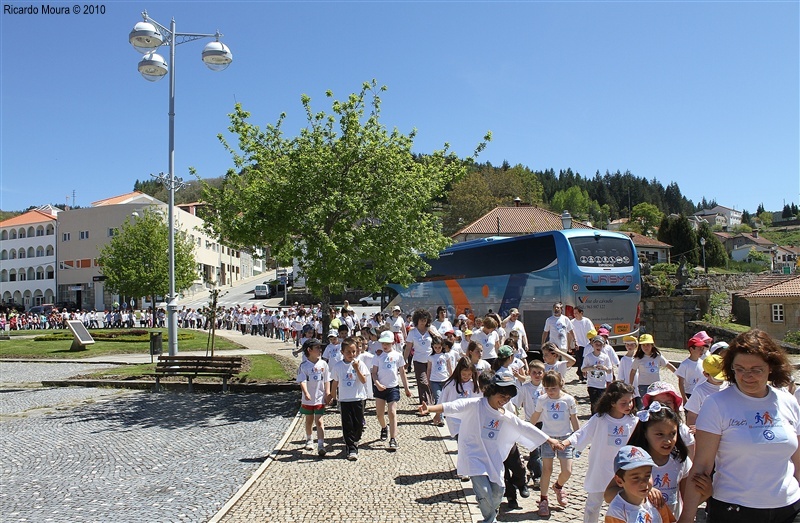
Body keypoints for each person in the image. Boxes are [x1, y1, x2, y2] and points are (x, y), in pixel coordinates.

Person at [678, 329, 800, 523]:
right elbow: (701, 467)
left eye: (756, 369)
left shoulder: (788, 401)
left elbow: (798, 461)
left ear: (771, 367)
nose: (747, 375)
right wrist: (686, 517)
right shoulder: (717, 404)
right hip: (734, 510)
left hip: (789, 508)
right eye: (740, 368)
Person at [419, 371, 562, 523]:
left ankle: (489, 516)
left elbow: (524, 427)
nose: (504, 400)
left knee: (498, 493)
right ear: (492, 391)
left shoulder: (505, 415)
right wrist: (430, 408)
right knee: (484, 491)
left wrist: (549, 439)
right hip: (473, 455)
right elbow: (454, 406)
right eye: (502, 396)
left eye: (507, 398)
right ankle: (489, 520)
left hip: (493, 458)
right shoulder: (476, 405)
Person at [560, 381, 638, 523]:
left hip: (622, 471)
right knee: (593, 505)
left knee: (623, 504)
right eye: (624, 402)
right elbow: (583, 433)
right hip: (600, 469)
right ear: (613, 402)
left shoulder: (633, 421)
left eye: (631, 401)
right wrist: (567, 442)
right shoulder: (600, 419)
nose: (629, 406)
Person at [605, 403, 692, 519]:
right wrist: (643, 491)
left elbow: (687, 496)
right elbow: (608, 495)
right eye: (660, 434)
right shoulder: (635, 461)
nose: (668, 440)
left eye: (672, 434)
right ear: (645, 433)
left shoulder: (680, 460)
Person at [530, 370, 580, 516]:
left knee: (567, 471)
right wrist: (526, 429)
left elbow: (574, 419)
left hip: (565, 438)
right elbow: (535, 417)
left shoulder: (569, 400)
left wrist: (578, 437)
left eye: (553, 388)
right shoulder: (542, 400)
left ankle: (558, 486)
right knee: (547, 470)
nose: (550, 392)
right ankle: (544, 499)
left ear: (560, 385)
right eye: (547, 388)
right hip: (548, 438)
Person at [604, 445, 676, 523]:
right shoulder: (617, 510)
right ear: (619, 481)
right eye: (636, 478)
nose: (644, 482)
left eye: (647, 476)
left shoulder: (655, 500)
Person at [329, 337, 369, 461]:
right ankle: (351, 447)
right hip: (345, 399)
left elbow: (364, 381)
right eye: (348, 352)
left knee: (358, 423)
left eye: (353, 352)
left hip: (358, 398)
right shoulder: (338, 366)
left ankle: (356, 440)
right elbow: (335, 382)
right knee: (347, 424)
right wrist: (333, 396)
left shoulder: (360, 364)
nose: (351, 355)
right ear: (342, 353)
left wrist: (356, 369)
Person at [372, 330, 412, 450]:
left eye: (387, 343)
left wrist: (407, 388)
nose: (385, 346)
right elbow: (374, 373)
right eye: (383, 343)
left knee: (392, 412)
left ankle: (393, 439)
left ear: (393, 343)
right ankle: (384, 427)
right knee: (379, 414)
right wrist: (377, 383)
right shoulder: (378, 355)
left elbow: (402, 372)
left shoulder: (398, 356)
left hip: (393, 387)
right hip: (380, 388)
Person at [296, 339, 331, 457]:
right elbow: (302, 380)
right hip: (308, 398)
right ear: (309, 350)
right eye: (317, 348)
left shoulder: (323, 364)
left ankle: (321, 444)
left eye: (320, 348)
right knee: (309, 419)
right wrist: (305, 392)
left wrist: (327, 393)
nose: (320, 350)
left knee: (319, 421)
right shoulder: (304, 366)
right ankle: (309, 439)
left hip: (320, 397)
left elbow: (327, 380)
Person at [517, 361, 546, 486]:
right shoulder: (525, 388)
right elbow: (516, 403)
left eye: (540, 373)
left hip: (544, 423)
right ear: (529, 373)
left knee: (541, 451)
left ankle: (531, 466)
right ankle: (538, 477)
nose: (537, 375)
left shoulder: (546, 388)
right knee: (536, 450)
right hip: (531, 422)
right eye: (534, 373)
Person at [440, 357, 480, 440]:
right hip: (455, 420)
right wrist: (438, 414)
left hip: (469, 419)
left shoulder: (474, 385)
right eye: (464, 374)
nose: (466, 377)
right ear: (459, 372)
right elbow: (442, 400)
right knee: (461, 439)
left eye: (469, 374)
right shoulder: (451, 385)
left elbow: (479, 400)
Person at [684, 354, 728, 428]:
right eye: (717, 377)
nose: (721, 379)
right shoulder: (700, 391)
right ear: (706, 374)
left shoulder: (729, 386)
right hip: (707, 429)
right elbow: (692, 415)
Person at [629, 334, 676, 399]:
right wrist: (630, 385)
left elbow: (668, 365)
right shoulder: (638, 359)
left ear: (652, 345)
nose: (645, 347)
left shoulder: (658, 356)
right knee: (646, 403)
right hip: (643, 386)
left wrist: (678, 374)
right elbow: (633, 372)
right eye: (643, 345)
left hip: (656, 385)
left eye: (648, 344)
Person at [404, 308, 434, 407]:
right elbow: (408, 348)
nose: (423, 322)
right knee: (422, 382)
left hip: (431, 360)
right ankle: (425, 403)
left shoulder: (431, 330)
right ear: (417, 320)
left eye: (425, 320)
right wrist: (405, 360)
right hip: (418, 360)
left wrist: (433, 332)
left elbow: (439, 341)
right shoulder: (412, 332)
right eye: (421, 320)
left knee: (431, 382)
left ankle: (430, 401)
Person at [583, 335, 614, 414]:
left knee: (601, 403)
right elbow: (583, 369)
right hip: (592, 384)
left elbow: (610, 370)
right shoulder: (588, 357)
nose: (598, 346)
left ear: (603, 346)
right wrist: (591, 367)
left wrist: (604, 368)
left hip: (602, 384)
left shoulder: (605, 357)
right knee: (593, 403)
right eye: (596, 344)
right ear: (592, 345)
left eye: (600, 345)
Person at [427, 336, 452, 426]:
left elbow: (449, 367)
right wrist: (428, 379)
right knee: (438, 398)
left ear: (442, 346)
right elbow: (429, 369)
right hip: (434, 380)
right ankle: (440, 419)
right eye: (435, 347)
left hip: (445, 379)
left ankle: (441, 414)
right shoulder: (431, 357)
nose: (437, 349)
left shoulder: (446, 356)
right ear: (433, 347)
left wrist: (452, 377)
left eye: (439, 347)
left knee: (444, 399)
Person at [675, 336, 707, 404]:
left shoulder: (703, 363)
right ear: (692, 349)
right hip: (689, 394)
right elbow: (681, 383)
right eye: (699, 348)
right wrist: (684, 398)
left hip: (701, 393)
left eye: (703, 348)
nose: (702, 351)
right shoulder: (685, 364)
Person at [618, 336, 643, 410]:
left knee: (640, 406)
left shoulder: (639, 358)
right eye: (627, 344)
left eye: (632, 344)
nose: (629, 346)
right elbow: (621, 375)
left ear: (636, 345)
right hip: (628, 386)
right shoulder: (623, 360)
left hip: (639, 386)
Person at [570, 306, 594, 382]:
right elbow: (569, 334)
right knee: (580, 360)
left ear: (581, 313)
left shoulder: (587, 321)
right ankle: (581, 376)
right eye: (574, 313)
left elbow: (592, 332)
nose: (575, 315)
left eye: (577, 313)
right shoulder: (572, 322)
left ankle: (584, 374)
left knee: (586, 360)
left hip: (587, 344)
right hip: (578, 344)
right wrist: (570, 345)